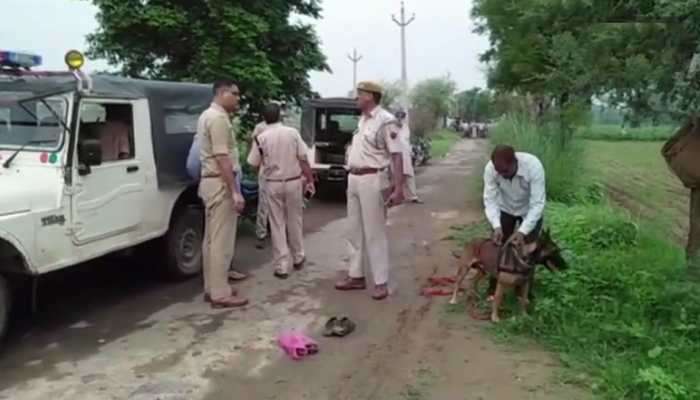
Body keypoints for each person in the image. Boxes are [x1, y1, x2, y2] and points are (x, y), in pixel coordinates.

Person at [335, 81, 405, 300]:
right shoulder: (362, 120)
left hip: (373, 178)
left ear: (370, 97)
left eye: (359, 95)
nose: (356, 98)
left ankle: (381, 281)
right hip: (354, 178)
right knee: (353, 230)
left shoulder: (386, 121)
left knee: (375, 232)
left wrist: (399, 187)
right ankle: (356, 276)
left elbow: (396, 155)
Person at [247, 103, 315, 279]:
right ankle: (298, 257)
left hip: (273, 183)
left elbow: (254, 164)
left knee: (277, 224)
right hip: (293, 182)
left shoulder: (261, 138)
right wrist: (309, 179)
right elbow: (303, 158)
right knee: (295, 220)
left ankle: (282, 266)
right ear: (280, 116)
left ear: (264, 118)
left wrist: (266, 172)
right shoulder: (292, 133)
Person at [197, 79, 249, 308]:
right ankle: (220, 293)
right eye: (235, 94)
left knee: (210, 240)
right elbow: (222, 158)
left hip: (209, 183)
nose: (238, 99)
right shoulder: (218, 119)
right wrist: (235, 191)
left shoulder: (206, 115)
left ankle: (213, 287)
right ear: (222, 93)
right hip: (219, 183)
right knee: (221, 241)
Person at [186, 116, 248, 282]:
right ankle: (219, 286)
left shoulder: (203, 137)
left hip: (215, 187)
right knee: (220, 238)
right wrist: (230, 189)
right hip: (222, 188)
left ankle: (216, 280)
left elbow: (192, 167)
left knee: (216, 236)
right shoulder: (209, 136)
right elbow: (193, 166)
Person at [483, 144, 546, 298]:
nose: (502, 175)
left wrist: (522, 231)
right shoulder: (491, 169)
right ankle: (494, 288)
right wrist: (496, 225)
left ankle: (523, 292)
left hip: (529, 211)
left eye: (505, 171)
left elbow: (537, 204)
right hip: (505, 208)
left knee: (529, 251)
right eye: (499, 172)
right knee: (498, 246)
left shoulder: (533, 166)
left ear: (514, 162)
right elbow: (489, 199)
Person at [395, 110, 422, 203]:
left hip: (405, 154)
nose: (399, 119)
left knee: (409, 175)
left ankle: (413, 196)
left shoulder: (405, 127)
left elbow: (406, 140)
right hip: (396, 156)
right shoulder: (392, 128)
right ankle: (398, 197)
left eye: (401, 117)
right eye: (398, 117)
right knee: (397, 176)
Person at [250, 120, 270, 249]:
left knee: (263, 205)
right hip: (283, 173)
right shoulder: (287, 131)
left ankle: (261, 235)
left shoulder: (259, 130)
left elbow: (254, 159)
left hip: (266, 171)